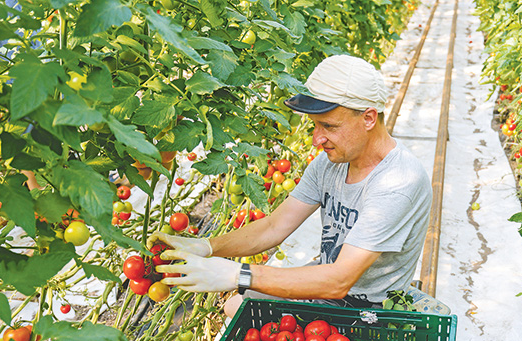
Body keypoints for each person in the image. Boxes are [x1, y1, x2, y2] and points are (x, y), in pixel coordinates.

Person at [150, 54, 432, 317]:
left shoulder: (398, 182)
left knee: (241, 305)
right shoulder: (330, 163)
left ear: (369, 117)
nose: (316, 139)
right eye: (314, 126)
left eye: (329, 126)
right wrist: (207, 246)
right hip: (329, 289)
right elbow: (274, 226)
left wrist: (239, 274)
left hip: (369, 309)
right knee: (237, 305)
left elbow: (340, 279)